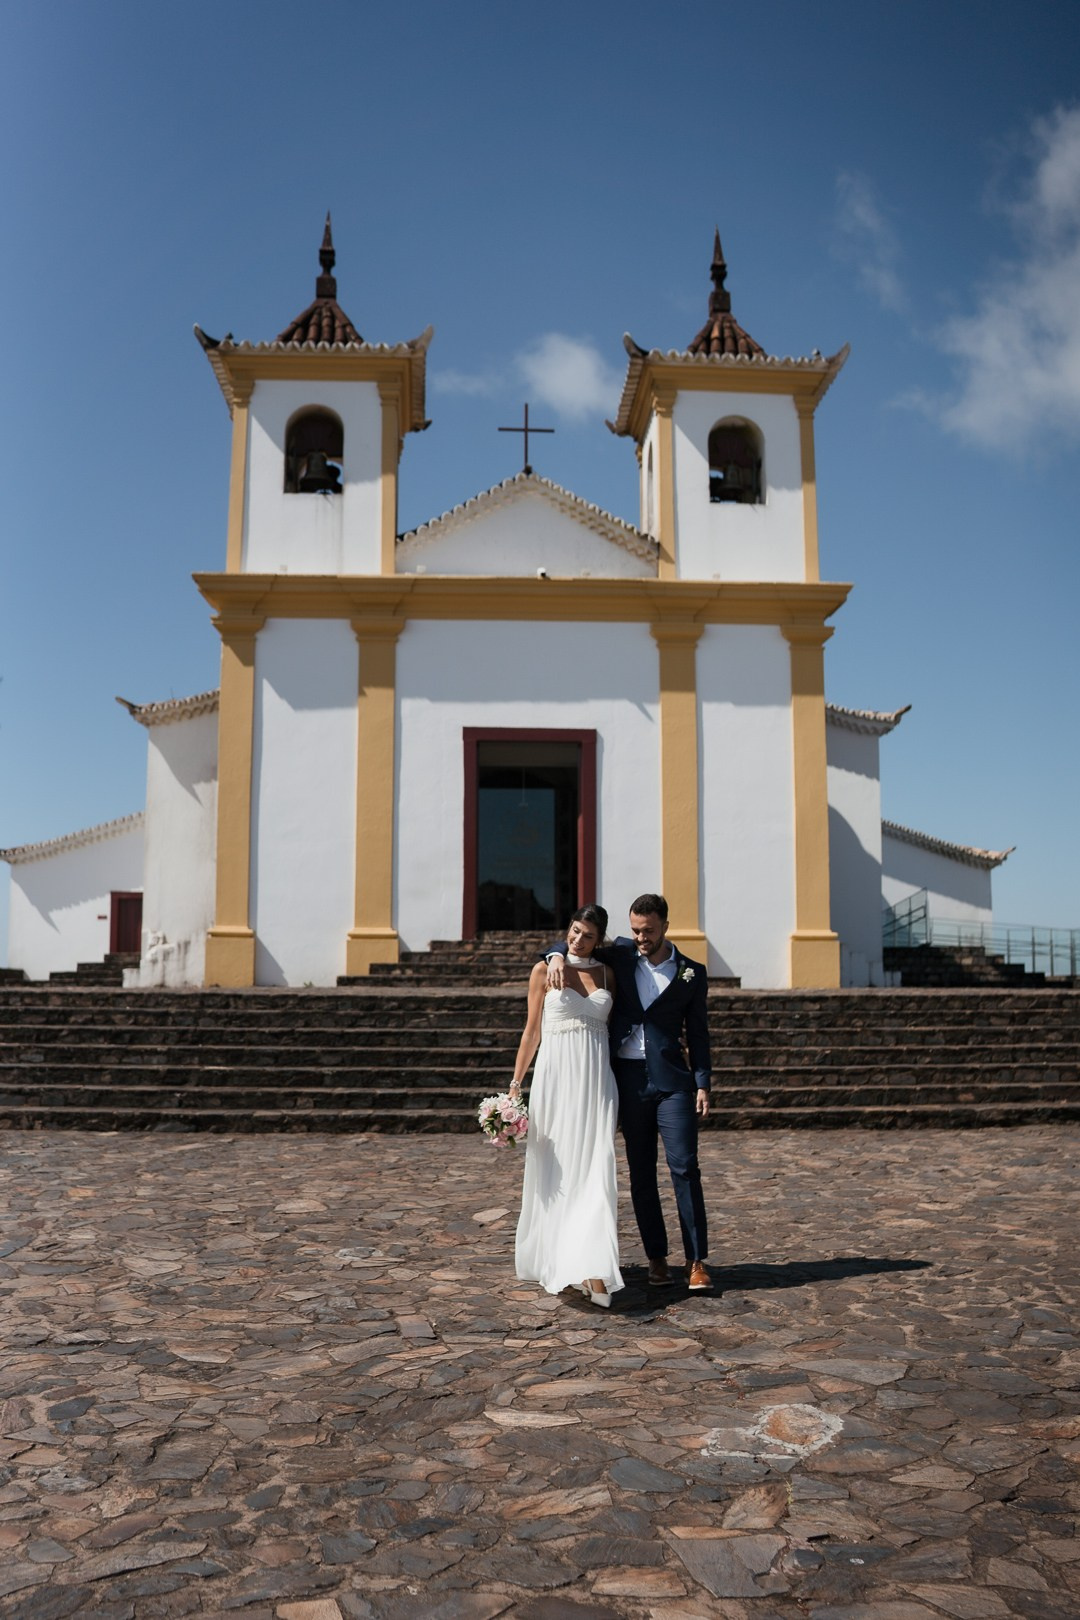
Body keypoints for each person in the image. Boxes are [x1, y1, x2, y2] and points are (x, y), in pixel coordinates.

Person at [547, 893, 712, 1291]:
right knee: (641, 1173)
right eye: (635, 930)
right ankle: (657, 1259)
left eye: (648, 931)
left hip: (673, 1082)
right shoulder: (619, 956)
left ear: (665, 927)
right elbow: (571, 941)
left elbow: (700, 1033)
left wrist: (703, 1082)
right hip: (629, 1080)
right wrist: (553, 956)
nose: (640, 937)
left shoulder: (692, 972)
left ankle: (696, 1261)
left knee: (685, 1166)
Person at [512, 904, 624, 1308]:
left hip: (596, 1085)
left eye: (588, 935)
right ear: (568, 929)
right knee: (559, 1170)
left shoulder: (609, 972)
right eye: (575, 932)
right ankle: (567, 1259)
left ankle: (592, 1265)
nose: (578, 940)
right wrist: (514, 1086)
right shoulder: (546, 969)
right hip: (557, 1084)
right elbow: (532, 1032)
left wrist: (559, 951)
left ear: (600, 939)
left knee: (596, 1168)